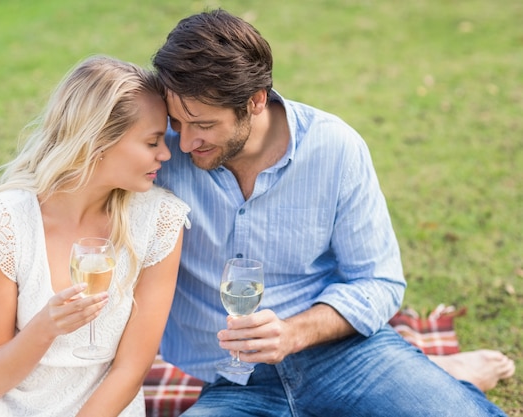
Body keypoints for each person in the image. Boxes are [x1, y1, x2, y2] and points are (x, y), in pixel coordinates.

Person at [152, 9, 512, 416]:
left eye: (203, 125)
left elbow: (378, 281)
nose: (184, 143)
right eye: (177, 122)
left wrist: (292, 333)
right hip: (235, 384)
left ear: (254, 101)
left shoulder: (334, 148)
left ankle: (431, 375)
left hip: (346, 358)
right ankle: (435, 371)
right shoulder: (159, 156)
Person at [0, 55, 190, 417]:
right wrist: (45, 327)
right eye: (152, 143)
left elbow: (131, 369)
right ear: (98, 142)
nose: (166, 153)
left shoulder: (160, 221)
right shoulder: (2, 227)